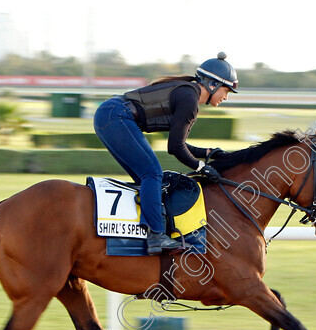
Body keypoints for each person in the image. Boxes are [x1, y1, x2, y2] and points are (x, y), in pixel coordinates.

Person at [93, 52, 238, 255]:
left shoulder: (189, 94)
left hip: (110, 114)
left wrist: (207, 153)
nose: (226, 97)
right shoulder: (189, 99)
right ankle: (156, 236)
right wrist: (201, 168)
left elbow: (177, 144)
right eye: (226, 90)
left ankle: (142, 234)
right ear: (213, 85)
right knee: (152, 174)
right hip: (115, 115)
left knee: (149, 181)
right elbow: (176, 148)